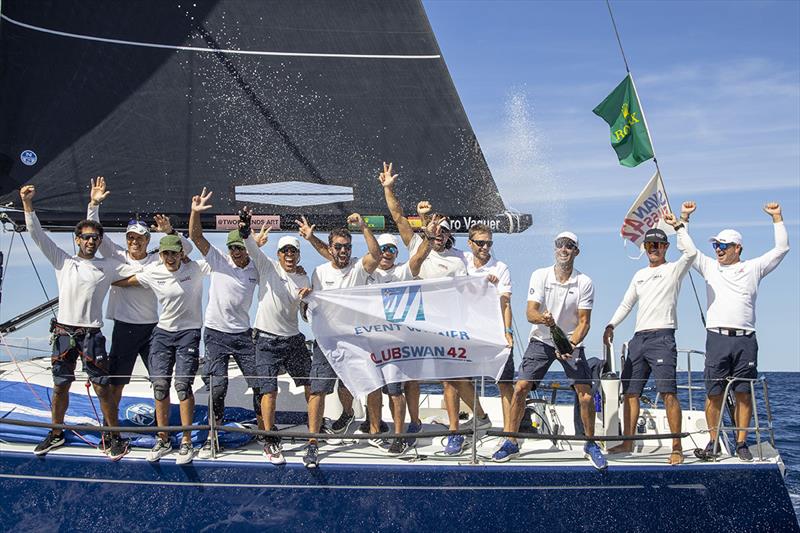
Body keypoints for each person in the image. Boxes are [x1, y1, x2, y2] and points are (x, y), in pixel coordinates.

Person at [380, 162, 489, 457]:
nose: (437, 235)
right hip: (417, 324)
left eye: (442, 231)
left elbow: (475, 284)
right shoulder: (418, 243)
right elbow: (398, 216)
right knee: (412, 375)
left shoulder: (459, 258)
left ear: (448, 234)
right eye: (434, 230)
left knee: (451, 379)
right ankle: (415, 424)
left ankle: (462, 427)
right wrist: (389, 188)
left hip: (449, 325)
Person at [20, 185, 137, 460]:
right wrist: (27, 204)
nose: (91, 242)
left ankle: (113, 435)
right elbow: (37, 235)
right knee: (61, 385)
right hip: (63, 331)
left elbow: (142, 270)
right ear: (77, 240)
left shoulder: (108, 266)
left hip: (91, 334)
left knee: (102, 386)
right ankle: (56, 432)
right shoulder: (63, 260)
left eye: (95, 238)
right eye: (86, 238)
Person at [86, 177, 193, 452]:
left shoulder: (159, 260)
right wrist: (93, 205)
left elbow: (186, 251)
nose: (135, 242)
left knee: (161, 382)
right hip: (124, 328)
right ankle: (112, 432)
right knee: (116, 383)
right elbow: (96, 234)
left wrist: (170, 231)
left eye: (140, 238)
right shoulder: (117, 255)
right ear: (127, 240)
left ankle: (166, 434)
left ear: (148, 240)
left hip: (153, 330)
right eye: (131, 237)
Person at [684, 202, 789, 462]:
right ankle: (713, 440)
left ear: (737, 248)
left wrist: (777, 218)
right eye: (715, 246)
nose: (718, 250)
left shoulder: (753, 267)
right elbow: (687, 250)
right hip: (717, 338)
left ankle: (742, 442)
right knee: (714, 393)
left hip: (745, 339)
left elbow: (781, 249)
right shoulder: (709, 266)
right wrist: (684, 219)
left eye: (723, 245)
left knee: (743, 393)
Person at [496, 231, 607, 470]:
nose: (564, 249)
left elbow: (584, 322)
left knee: (585, 394)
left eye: (569, 246)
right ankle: (511, 441)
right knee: (520, 388)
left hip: (570, 341)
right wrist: (544, 319)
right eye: (560, 245)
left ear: (576, 251)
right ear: (555, 249)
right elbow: (530, 313)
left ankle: (590, 443)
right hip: (541, 340)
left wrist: (572, 345)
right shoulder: (540, 275)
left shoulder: (584, 282)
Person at [603, 210, 696, 465]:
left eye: (657, 244)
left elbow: (691, 253)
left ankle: (676, 446)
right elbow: (626, 304)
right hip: (638, 339)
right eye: (649, 245)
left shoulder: (674, 270)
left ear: (665, 247)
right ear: (644, 248)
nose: (653, 249)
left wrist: (679, 226)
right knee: (630, 393)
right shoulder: (639, 275)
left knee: (668, 393)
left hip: (662, 338)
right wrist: (611, 323)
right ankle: (628, 441)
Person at [113, 234, 209, 465]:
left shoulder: (195, 269)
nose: (170, 257)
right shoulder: (154, 272)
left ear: (181, 253)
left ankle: (186, 440)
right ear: (161, 255)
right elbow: (127, 280)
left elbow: (223, 261)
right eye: (165, 253)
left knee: (183, 386)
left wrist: (252, 245)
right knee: (160, 385)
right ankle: (163, 437)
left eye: (174, 253)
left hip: (189, 333)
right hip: (163, 333)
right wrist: (102, 279)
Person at [297, 214, 381, 468]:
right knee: (318, 390)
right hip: (326, 341)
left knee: (371, 383)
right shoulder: (319, 271)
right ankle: (313, 441)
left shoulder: (358, 267)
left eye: (347, 246)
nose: (343, 251)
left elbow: (376, 255)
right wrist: (306, 299)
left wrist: (364, 226)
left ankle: (376, 433)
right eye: (338, 247)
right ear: (330, 248)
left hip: (356, 340)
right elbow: (308, 307)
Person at [187, 189, 261, 459]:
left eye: (240, 247)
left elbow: (278, 279)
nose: (236, 252)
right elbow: (196, 237)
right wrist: (195, 212)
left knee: (260, 383)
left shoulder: (256, 267)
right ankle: (213, 431)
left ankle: (265, 432)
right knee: (218, 385)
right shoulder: (219, 260)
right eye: (232, 248)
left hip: (243, 335)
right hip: (216, 334)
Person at [237, 210, 313, 465]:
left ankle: (314, 434)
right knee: (268, 392)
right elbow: (249, 244)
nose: (289, 256)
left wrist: (308, 301)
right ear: (279, 255)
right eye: (285, 252)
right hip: (266, 340)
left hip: (293, 339)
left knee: (313, 386)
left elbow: (305, 314)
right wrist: (245, 226)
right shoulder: (267, 266)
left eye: (293, 252)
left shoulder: (304, 276)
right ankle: (270, 440)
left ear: (299, 255)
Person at [362, 228, 434, 455]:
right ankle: (375, 431)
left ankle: (399, 435)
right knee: (372, 387)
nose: (387, 253)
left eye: (392, 249)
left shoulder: (404, 271)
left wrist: (429, 238)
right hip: (370, 340)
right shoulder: (364, 271)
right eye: (383, 249)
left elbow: (420, 256)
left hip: (396, 343)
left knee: (395, 391)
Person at [464, 223, 515, 433]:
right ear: (470, 243)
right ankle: (480, 417)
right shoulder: (462, 261)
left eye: (489, 243)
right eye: (481, 243)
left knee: (504, 384)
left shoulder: (500, 267)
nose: (485, 247)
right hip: (467, 333)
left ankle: (510, 433)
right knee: (458, 379)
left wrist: (508, 332)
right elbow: (437, 248)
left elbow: (506, 302)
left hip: (494, 332)